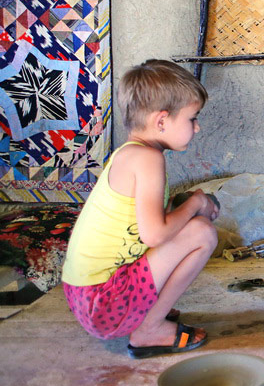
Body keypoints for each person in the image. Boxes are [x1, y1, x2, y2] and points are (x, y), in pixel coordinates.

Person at [61, 60, 220, 358]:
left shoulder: (130, 154)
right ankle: (149, 329)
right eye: (192, 118)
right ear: (161, 121)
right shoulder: (148, 159)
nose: (197, 127)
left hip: (87, 297)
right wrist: (197, 203)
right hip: (103, 301)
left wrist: (183, 207)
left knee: (190, 225)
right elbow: (155, 234)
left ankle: (146, 312)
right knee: (202, 233)